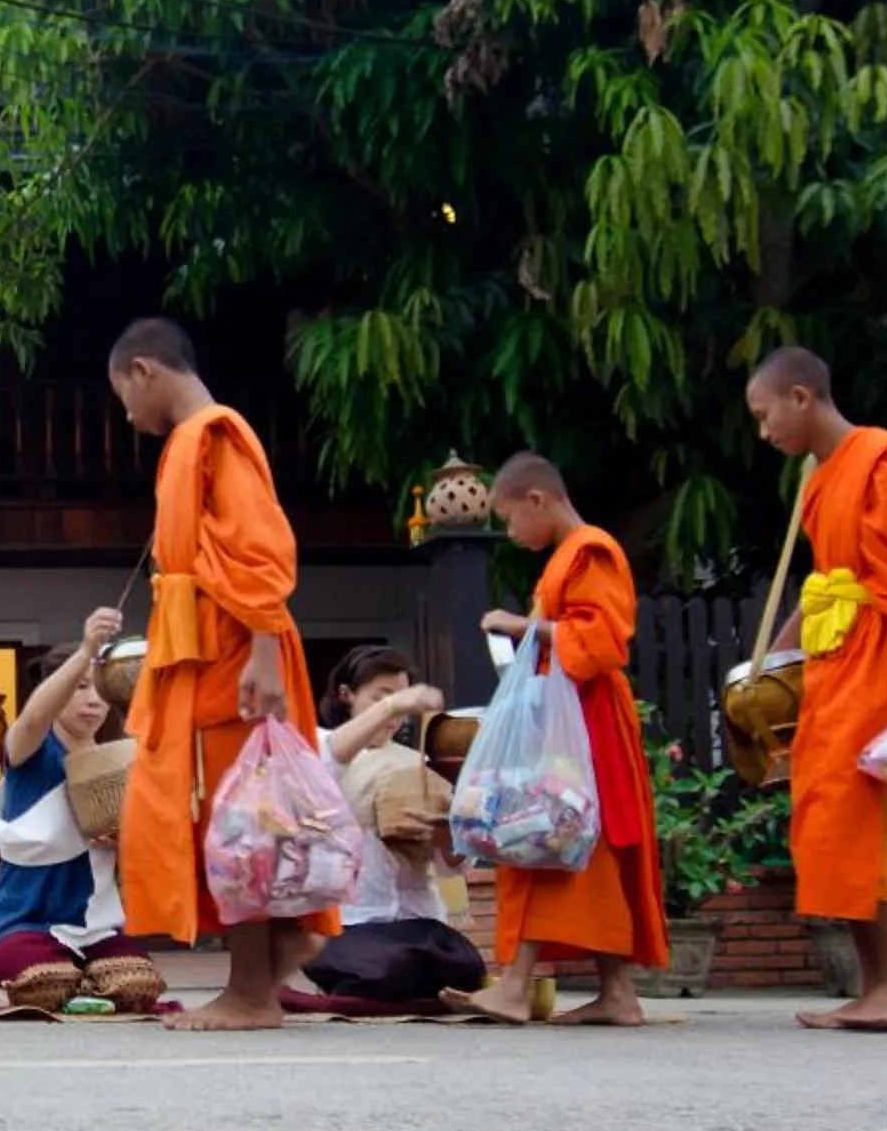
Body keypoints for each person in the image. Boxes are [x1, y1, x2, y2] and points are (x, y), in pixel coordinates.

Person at [108, 317, 334, 1032]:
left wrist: (264, 651)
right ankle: (265, 968)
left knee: (245, 820)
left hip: (238, 648)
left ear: (145, 369)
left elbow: (258, 546)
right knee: (210, 814)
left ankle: (251, 993)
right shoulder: (186, 444)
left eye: (123, 395)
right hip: (202, 648)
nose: (127, 414)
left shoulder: (215, 433)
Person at [747, 347, 887, 1032]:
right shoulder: (820, 479)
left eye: (766, 414)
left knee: (872, 821)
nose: (764, 432)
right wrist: (777, 656)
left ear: (803, 396)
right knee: (832, 818)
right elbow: (826, 583)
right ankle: (878, 986)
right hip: (840, 660)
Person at [443, 453, 670, 1026]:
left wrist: (522, 627)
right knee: (565, 840)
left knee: (555, 834)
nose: (513, 534)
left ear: (538, 500)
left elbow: (603, 643)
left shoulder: (592, 550)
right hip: (567, 716)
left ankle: (517, 988)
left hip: (588, 720)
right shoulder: (569, 557)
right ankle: (614, 993)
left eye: (513, 518)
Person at [0, 608, 168, 1013]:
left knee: (136, 987)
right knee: (45, 986)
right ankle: (73, 980)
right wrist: (87, 650)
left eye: (98, 688)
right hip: (25, 923)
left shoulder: (119, 758)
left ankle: (86, 980)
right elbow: (35, 716)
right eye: (79, 687)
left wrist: (125, 839)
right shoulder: (32, 749)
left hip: (94, 925)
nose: (92, 700)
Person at [283, 646, 487, 1015]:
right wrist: (395, 705)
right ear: (347, 694)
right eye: (382, 696)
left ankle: (384, 990)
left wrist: (440, 833)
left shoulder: (417, 764)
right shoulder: (316, 745)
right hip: (349, 924)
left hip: (418, 923)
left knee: (467, 966)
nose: (395, 713)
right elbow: (324, 767)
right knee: (386, 967)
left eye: (402, 702)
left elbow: (452, 865)